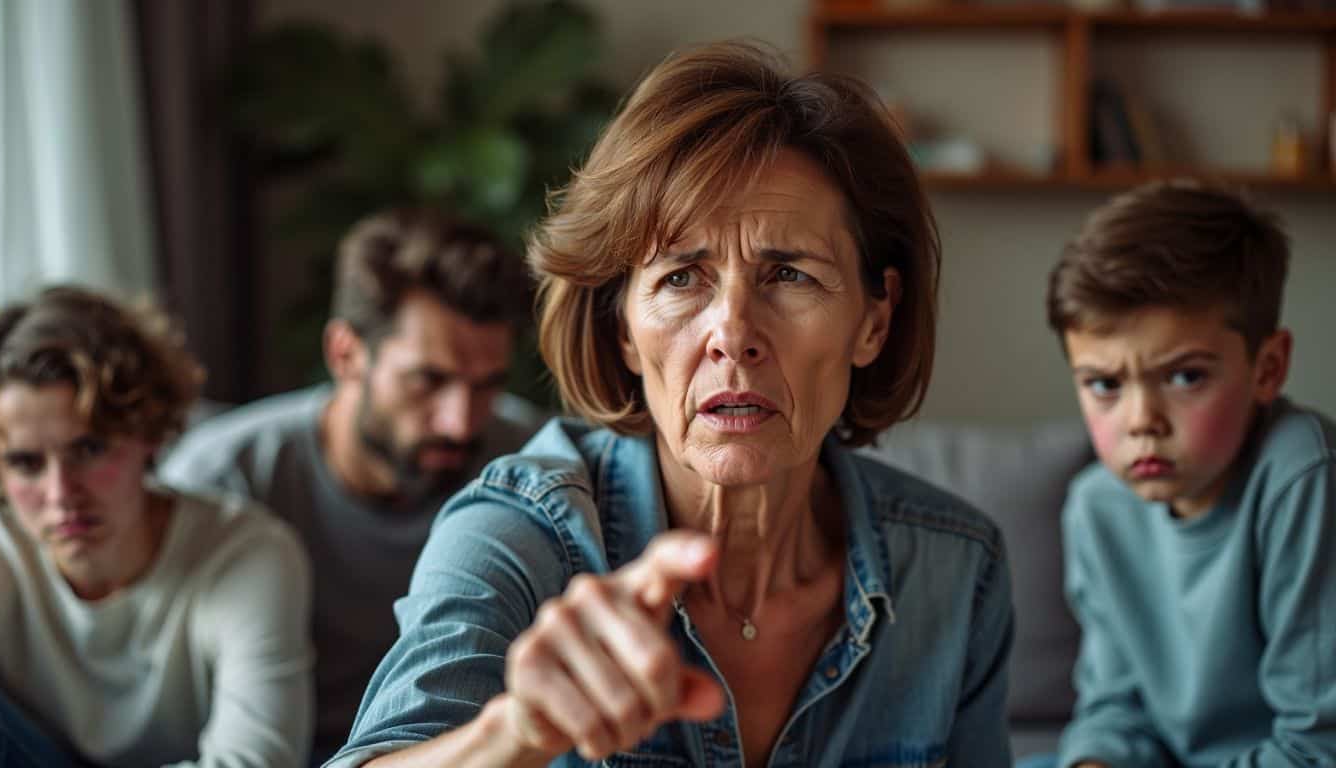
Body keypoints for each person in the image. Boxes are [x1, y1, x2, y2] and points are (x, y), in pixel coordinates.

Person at [328, 41, 1014, 768]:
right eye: (683, 277)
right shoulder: (521, 534)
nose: (734, 336)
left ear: (874, 321)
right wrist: (517, 735)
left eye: (788, 273)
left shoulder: (955, 566)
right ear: (622, 328)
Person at [159, 207, 543, 759]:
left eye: (486, 385)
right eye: (428, 380)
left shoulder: (527, 466)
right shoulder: (225, 480)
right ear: (345, 354)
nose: (461, 421)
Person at [1038, 180, 1336, 767]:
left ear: (1268, 368)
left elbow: (1318, 747)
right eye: (1104, 385)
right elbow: (1114, 708)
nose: (1142, 421)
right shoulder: (1097, 505)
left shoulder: (1302, 476)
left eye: (1185, 377)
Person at [0, 285, 313, 767]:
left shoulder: (247, 553)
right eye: (25, 462)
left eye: (89, 450)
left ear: (147, 433)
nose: (61, 495)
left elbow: (256, 762)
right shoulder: (1, 549)